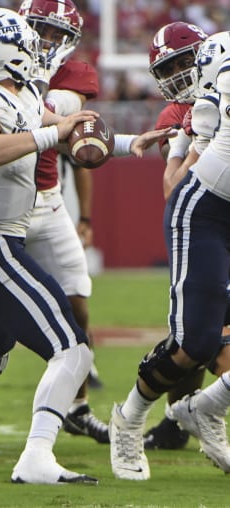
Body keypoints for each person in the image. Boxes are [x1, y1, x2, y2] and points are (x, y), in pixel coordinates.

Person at [0, 7, 171, 485]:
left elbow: (66, 134)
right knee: (73, 349)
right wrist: (51, 133)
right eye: (26, 42)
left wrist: (129, 143)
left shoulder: (19, 91)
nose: (36, 49)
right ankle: (36, 456)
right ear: (3, 52)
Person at [109, 32, 230, 481]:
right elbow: (175, 189)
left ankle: (206, 407)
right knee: (194, 344)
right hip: (206, 214)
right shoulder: (205, 108)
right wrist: (188, 140)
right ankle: (130, 417)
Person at [19, 0, 108, 444]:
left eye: (57, 34)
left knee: (78, 301)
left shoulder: (74, 76)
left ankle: (77, 406)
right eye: (40, 30)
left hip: (48, 201)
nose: (47, 41)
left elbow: (61, 113)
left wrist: (85, 215)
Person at [141, 21, 209, 451]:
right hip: (208, 226)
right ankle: (176, 422)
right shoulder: (174, 116)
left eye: (187, 61)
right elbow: (179, 190)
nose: (181, 73)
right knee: (194, 331)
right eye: (172, 66)